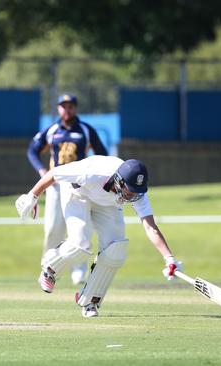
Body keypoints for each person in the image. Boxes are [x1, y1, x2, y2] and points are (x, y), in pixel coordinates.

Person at [15, 155, 183, 318]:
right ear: (119, 181)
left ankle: (90, 301)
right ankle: (50, 268)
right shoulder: (93, 172)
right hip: (77, 194)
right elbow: (54, 173)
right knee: (79, 244)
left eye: (136, 192)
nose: (133, 196)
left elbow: (150, 226)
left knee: (116, 250)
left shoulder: (137, 192)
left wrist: (169, 259)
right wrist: (33, 196)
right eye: (130, 191)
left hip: (108, 204)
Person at [27, 94, 108, 285]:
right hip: (56, 185)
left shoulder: (86, 130)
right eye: (63, 106)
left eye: (70, 106)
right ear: (58, 109)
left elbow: (102, 155)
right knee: (53, 228)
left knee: (79, 226)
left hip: (79, 186)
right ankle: (48, 266)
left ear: (76, 108)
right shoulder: (52, 130)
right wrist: (42, 171)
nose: (67, 110)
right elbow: (32, 150)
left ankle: (78, 269)